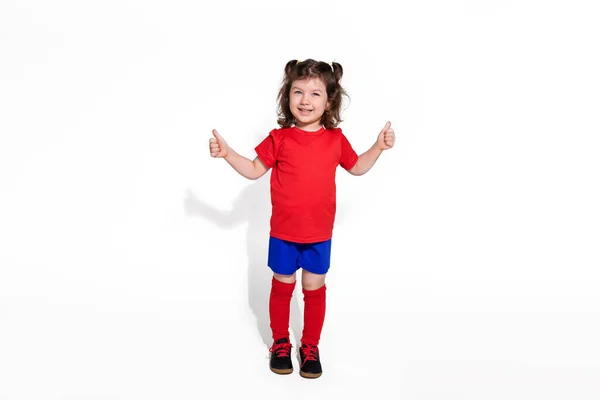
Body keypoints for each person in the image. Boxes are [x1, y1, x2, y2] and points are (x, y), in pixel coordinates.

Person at [209, 59, 395, 378]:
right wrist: (228, 154)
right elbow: (254, 170)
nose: (305, 100)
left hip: (319, 235)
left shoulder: (336, 140)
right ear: (288, 97)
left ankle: (310, 345)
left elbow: (357, 167)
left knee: (314, 288)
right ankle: (280, 342)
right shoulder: (279, 139)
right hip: (283, 234)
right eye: (298, 92)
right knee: (282, 287)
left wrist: (377, 147)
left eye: (314, 93)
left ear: (329, 101)